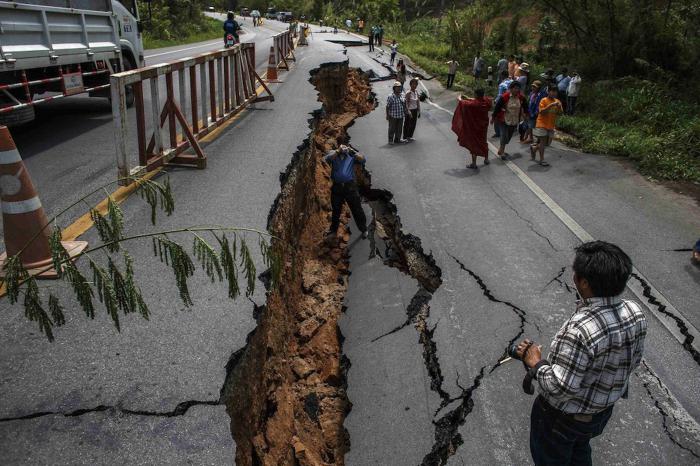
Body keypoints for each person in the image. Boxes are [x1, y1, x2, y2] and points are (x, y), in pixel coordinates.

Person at [514, 241, 646, 466]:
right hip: (600, 414)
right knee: (579, 451)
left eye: (576, 273)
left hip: (561, 419)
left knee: (552, 458)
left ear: (583, 282)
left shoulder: (580, 329)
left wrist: (535, 361)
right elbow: (633, 361)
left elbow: (560, 388)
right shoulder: (635, 312)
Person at [323, 145, 368, 241]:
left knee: (357, 209)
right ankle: (333, 231)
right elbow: (326, 159)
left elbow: (363, 160)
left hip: (350, 187)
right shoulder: (334, 154)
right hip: (337, 187)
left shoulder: (351, 155)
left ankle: (363, 229)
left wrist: (353, 151)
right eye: (342, 148)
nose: (344, 150)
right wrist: (338, 151)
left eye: (345, 149)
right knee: (336, 210)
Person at [452, 88, 492, 169]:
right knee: (483, 141)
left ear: (476, 94)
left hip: (474, 127)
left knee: (474, 143)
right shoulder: (487, 101)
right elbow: (478, 100)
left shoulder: (473, 104)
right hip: (483, 126)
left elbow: (462, 103)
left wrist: (459, 98)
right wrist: (468, 98)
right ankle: (486, 159)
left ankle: (474, 163)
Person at [492, 80, 528, 157]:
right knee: (504, 135)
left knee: (508, 137)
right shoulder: (505, 96)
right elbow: (497, 107)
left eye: (518, 88)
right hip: (504, 119)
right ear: (511, 89)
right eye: (515, 88)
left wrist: (526, 115)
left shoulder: (521, 98)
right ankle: (501, 151)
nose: (516, 90)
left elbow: (526, 107)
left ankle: (501, 149)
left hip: (514, 120)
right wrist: (493, 117)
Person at [530, 85, 562, 166]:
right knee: (543, 142)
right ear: (548, 92)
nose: (554, 93)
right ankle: (542, 160)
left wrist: (559, 107)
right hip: (542, 124)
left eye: (555, 91)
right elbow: (542, 112)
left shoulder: (558, 101)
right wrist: (551, 105)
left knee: (547, 143)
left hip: (551, 125)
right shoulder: (543, 100)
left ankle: (534, 148)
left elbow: (560, 113)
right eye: (552, 91)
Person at [493, 71, 512, 138]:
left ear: (502, 76)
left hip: (502, 102)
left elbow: (500, 96)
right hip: (511, 102)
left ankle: (497, 132)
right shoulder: (512, 81)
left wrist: (495, 101)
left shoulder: (502, 84)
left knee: (497, 117)